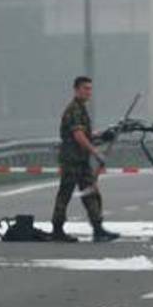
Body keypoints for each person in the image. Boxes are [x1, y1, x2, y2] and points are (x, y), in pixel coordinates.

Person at [50, 76, 120, 243]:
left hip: (81, 160)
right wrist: (95, 152)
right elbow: (78, 135)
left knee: (91, 193)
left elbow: (86, 134)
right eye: (85, 88)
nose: (88, 92)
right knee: (65, 194)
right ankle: (57, 230)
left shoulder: (81, 109)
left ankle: (98, 229)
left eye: (90, 89)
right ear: (76, 90)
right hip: (72, 160)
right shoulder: (74, 109)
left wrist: (103, 135)